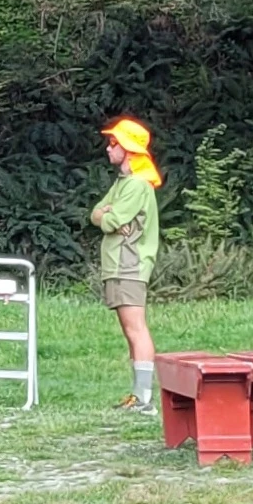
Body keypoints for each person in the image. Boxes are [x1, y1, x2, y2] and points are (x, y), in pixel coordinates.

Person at [92, 117, 163, 411]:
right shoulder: (123, 182)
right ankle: (138, 395)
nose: (108, 149)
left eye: (114, 143)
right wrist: (104, 214)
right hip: (120, 267)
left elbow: (110, 220)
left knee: (136, 329)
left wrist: (107, 215)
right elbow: (95, 214)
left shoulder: (135, 185)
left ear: (129, 149)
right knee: (129, 330)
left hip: (129, 266)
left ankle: (144, 398)